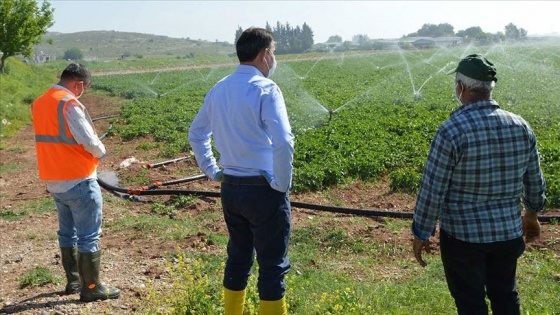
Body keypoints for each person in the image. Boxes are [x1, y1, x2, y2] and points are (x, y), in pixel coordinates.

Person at [411, 54, 547, 314]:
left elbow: (432, 189)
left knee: (470, 304)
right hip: (508, 234)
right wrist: (532, 213)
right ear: (489, 88)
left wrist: (421, 232)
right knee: (506, 297)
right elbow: (534, 180)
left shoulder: (451, 130)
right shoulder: (520, 126)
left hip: (463, 239)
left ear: (460, 88)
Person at [188, 27, 294, 315]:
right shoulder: (265, 89)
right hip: (263, 189)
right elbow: (283, 141)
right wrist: (282, 184)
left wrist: (212, 170)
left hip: (231, 187)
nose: (274, 58)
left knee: (238, 257)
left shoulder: (219, 88)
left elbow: (196, 134)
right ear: (263, 55)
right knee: (272, 265)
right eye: (273, 52)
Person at [31, 63, 120, 302]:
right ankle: (91, 287)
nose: (81, 93)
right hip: (78, 179)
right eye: (83, 89)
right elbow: (89, 141)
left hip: (54, 179)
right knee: (88, 236)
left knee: (67, 233)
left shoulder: (40, 102)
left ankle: (74, 281)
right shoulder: (68, 103)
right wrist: (101, 152)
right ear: (78, 84)